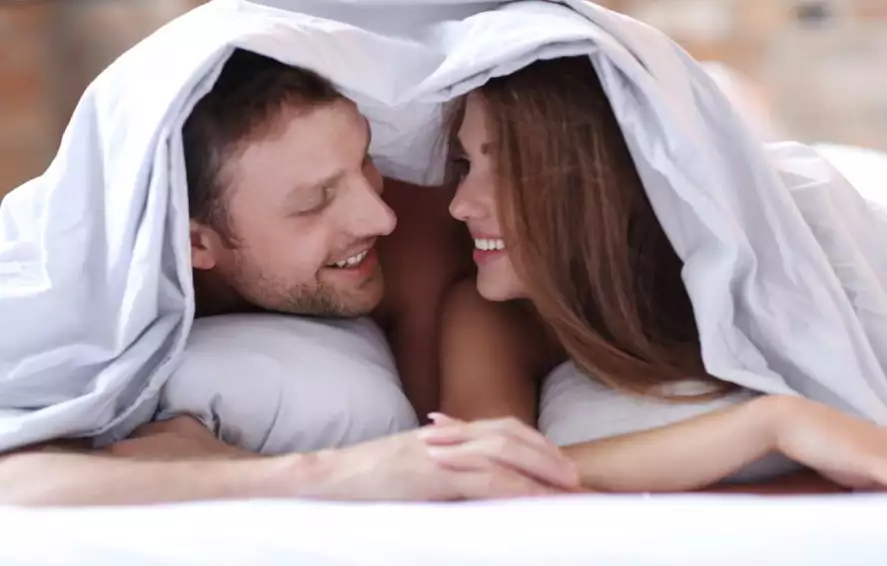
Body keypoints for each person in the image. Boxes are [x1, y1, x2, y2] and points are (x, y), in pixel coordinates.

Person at [0, 50, 581, 506]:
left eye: (365, 161)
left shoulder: (426, 240)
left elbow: (461, 472)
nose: (380, 217)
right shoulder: (76, 291)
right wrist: (313, 474)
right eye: (314, 203)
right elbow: (19, 484)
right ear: (196, 242)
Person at [436, 56, 887, 493]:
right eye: (465, 166)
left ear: (599, 182)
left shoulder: (764, 259)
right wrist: (773, 424)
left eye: (508, 169)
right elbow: (483, 467)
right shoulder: (491, 316)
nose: (460, 206)